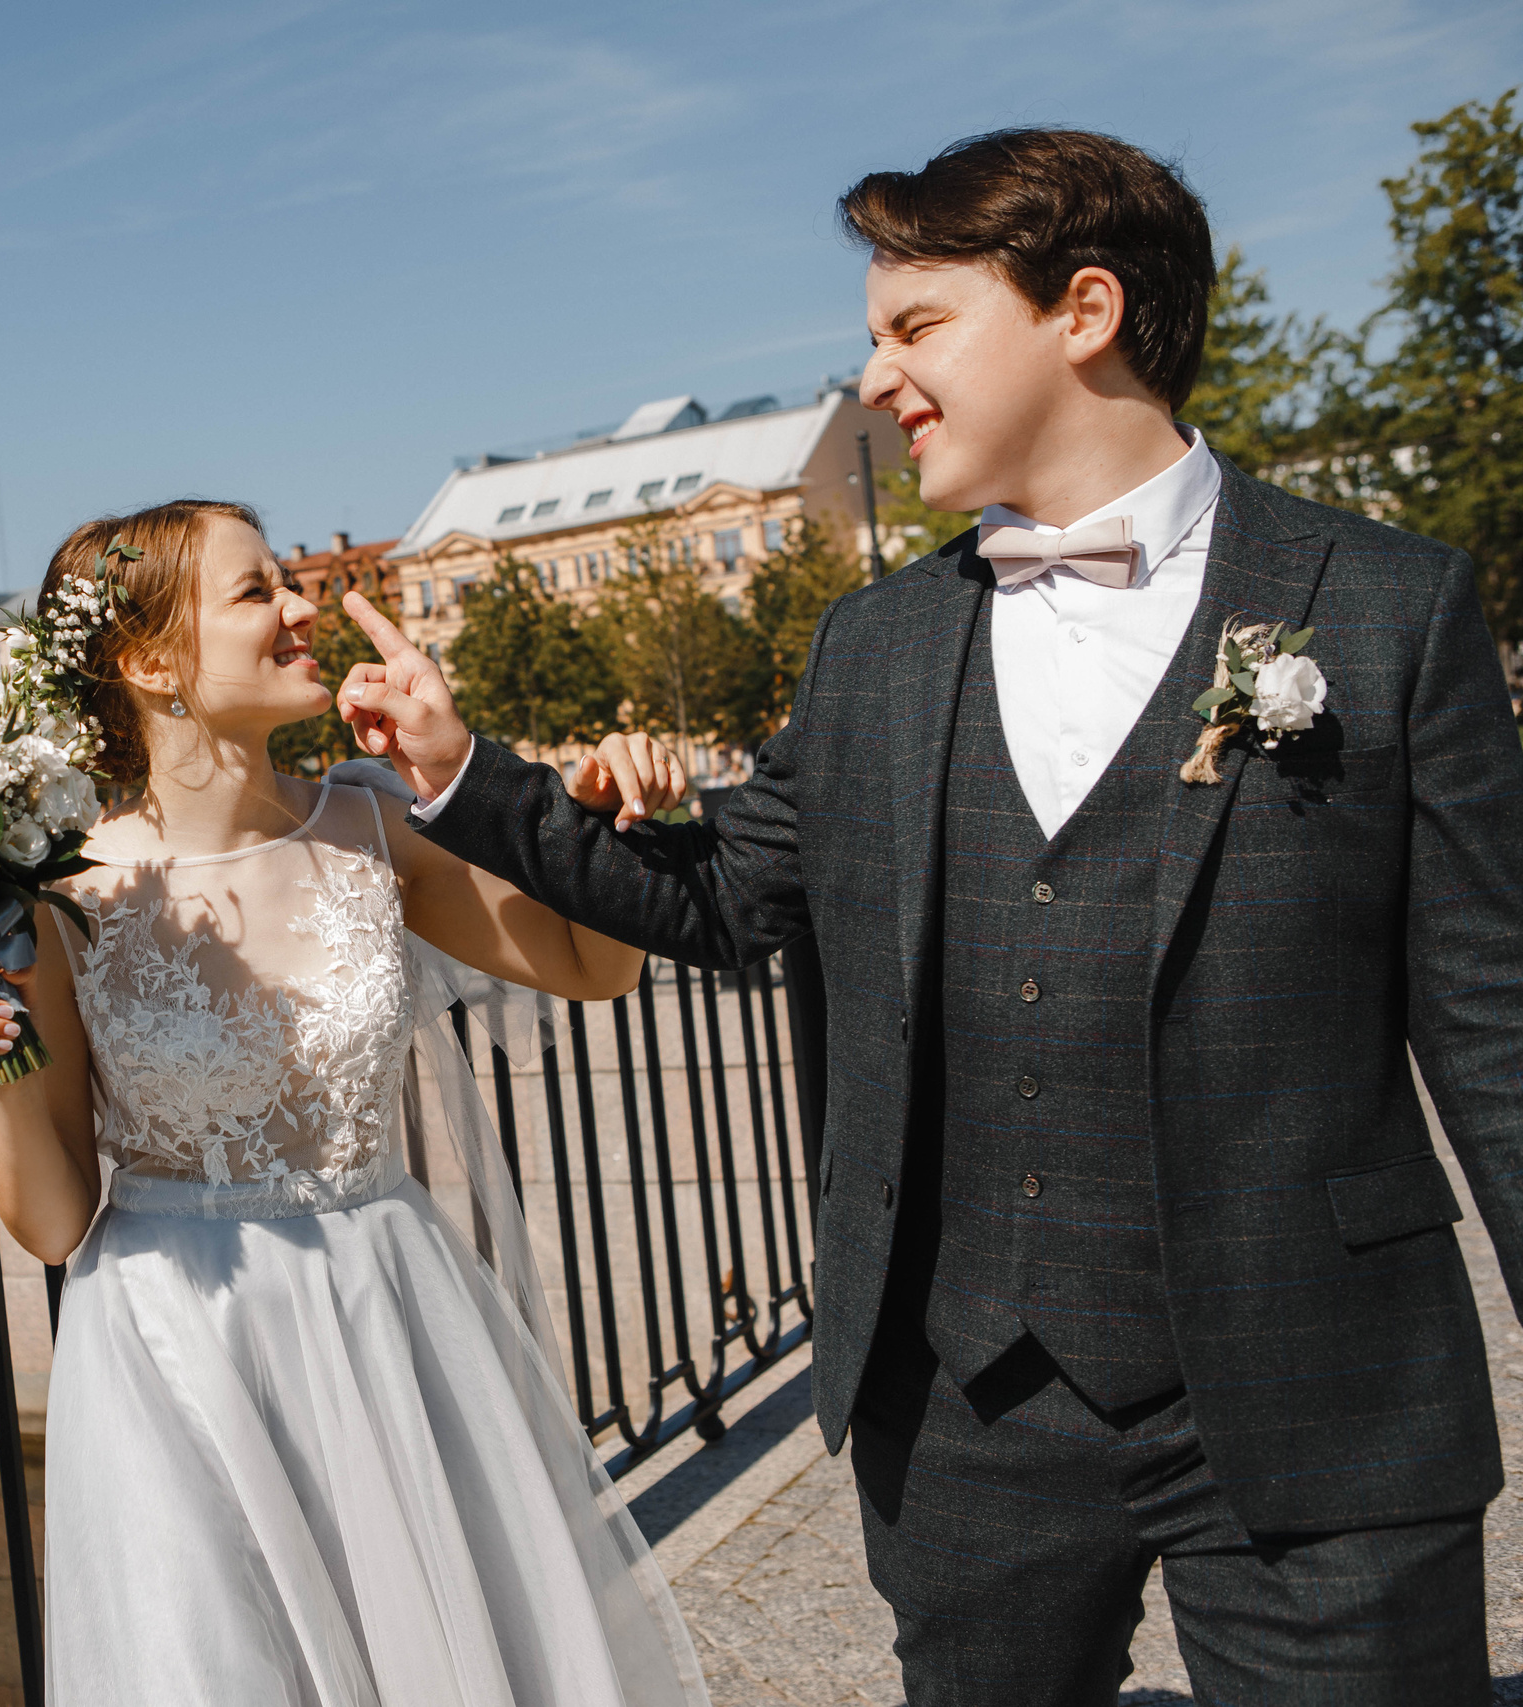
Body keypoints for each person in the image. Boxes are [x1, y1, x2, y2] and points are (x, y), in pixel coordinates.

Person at [335, 127, 1523, 1704]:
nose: (879, 379)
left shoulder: (1385, 606)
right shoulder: (876, 646)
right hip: (968, 1405)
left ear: (1083, 310)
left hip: (1324, 1378)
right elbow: (726, 898)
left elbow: (1496, 1022)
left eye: (916, 328)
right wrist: (467, 773)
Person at [0, 499, 710, 1706]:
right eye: (257, 593)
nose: (300, 609)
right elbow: (48, 1221)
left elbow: (590, 968)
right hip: (176, 1337)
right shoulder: (55, 893)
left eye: (288, 581)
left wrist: (613, 826)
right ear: (147, 662)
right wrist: (2, 1074)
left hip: (385, 1302)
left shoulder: (373, 819)